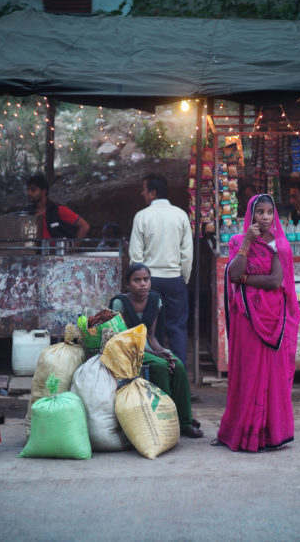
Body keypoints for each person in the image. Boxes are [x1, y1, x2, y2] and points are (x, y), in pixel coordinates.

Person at [212, 194, 300, 452]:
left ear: (274, 216)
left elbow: (275, 281)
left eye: (269, 212)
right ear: (250, 215)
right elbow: (233, 274)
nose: (264, 217)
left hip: (273, 319)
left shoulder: (280, 246)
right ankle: (240, 431)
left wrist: (245, 280)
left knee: (272, 375)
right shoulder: (239, 241)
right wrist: (248, 244)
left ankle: (270, 435)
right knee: (246, 373)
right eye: (259, 212)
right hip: (246, 319)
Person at [109, 263, 203, 438]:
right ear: (128, 284)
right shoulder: (119, 303)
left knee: (178, 365)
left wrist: (163, 352)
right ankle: (165, 420)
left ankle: (184, 422)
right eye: (137, 280)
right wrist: (157, 355)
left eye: (146, 279)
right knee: (160, 366)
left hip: (149, 348)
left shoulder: (155, 299)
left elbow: (152, 337)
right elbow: (123, 340)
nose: (143, 284)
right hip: (127, 351)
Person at [129, 173, 193, 369]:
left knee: (151, 330)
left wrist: (138, 282)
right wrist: (184, 278)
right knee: (177, 328)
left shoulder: (142, 216)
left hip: (149, 281)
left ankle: (154, 374)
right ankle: (178, 373)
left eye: (144, 190)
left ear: (153, 193)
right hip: (174, 279)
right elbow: (187, 253)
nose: (142, 193)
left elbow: (135, 255)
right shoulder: (181, 215)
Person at [26, 173, 90, 241]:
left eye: (33, 190)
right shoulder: (26, 212)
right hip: (32, 251)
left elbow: (84, 226)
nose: (28, 193)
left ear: (43, 192)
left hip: (56, 251)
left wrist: (72, 248)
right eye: (27, 189)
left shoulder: (58, 210)